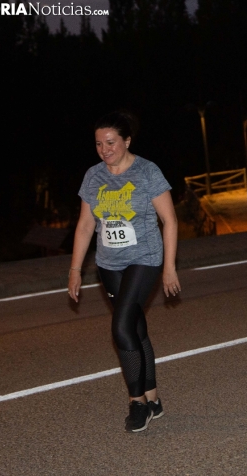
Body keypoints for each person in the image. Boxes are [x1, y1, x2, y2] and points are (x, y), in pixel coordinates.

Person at [67, 111, 180, 432]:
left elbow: (169, 221)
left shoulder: (147, 172)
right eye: (99, 144)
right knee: (135, 328)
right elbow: (86, 224)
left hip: (144, 258)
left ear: (127, 141)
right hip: (108, 264)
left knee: (120, 328)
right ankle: (154, 399)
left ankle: (138, 404)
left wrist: (169, 267)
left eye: (111, 142)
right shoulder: (93, 176)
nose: (105, 149)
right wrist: (76, 269)